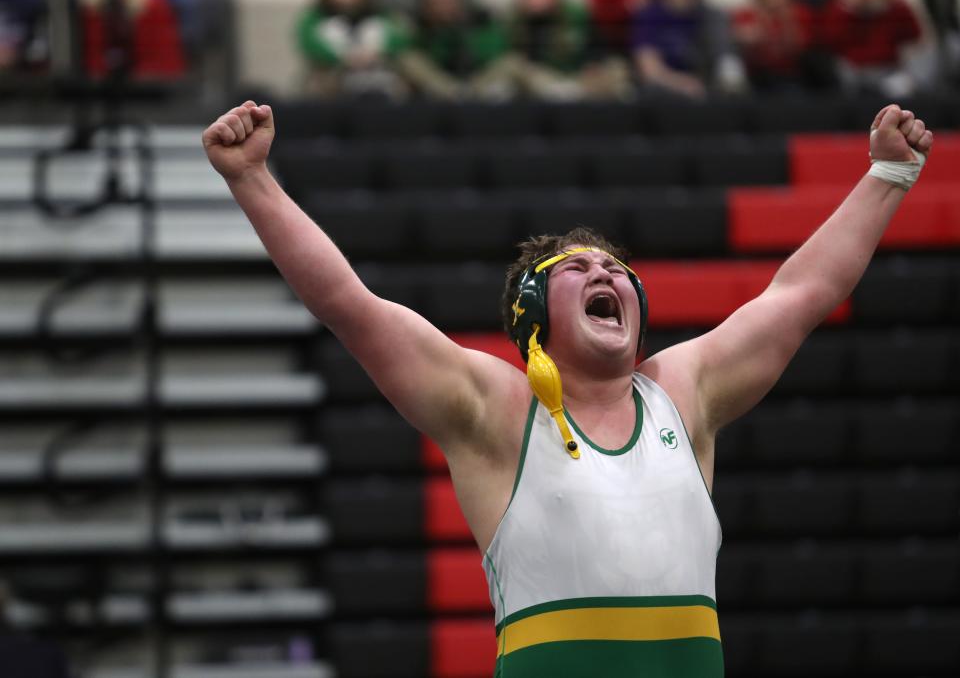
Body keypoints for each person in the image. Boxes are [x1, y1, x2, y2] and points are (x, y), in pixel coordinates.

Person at [202, 100, 933, 675]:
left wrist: (888, 176)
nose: (607, 276)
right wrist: (251, 179)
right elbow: (348, 305)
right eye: (578, 272)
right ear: (530, 317)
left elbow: (799, 295)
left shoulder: (685, 392)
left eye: (617, 272)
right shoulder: (495, 410)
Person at [395, 0, 515, 100]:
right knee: (409, 59)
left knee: (512, 61)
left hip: (477, 82)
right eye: (436, 4)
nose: (442, 8)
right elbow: (411, 54)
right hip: (441, 83)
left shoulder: (478, 21)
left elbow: (492, 53)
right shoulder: (420, 28)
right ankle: (455, 95)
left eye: (447, 3)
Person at [630, 0, 747, 97]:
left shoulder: (713, 17)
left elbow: (728, 63)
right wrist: (682, 84)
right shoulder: (650, 16)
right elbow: (649, 71)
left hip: (709, 93)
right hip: (664, 95)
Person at [296, 0, 410, 99]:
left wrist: (377, 52)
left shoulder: (381, 15)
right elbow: (309, 41)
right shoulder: (317, 18)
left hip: (380, 75)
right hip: (334, 77)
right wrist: (343, 58)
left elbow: (400, 37)